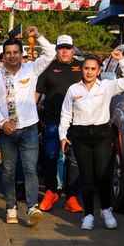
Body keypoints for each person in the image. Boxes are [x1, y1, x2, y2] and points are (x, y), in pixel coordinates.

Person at [59, 51, 124, 231]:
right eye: (86, 68)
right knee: (86, 177)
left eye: (93, 69)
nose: (89, 72)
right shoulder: (73, 89)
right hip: (80, 136)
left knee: (104, 175)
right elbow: (65, 115)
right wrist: (63, 136)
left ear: (99, 71)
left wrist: (121, 60)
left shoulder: (107, 86)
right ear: (82, 70)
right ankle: (88, 215)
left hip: (102, 134)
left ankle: (106, 210)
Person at [0, 28, 55, 227]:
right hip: (7, 130)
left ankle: (32, 207)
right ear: (3, 54)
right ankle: (10, 207)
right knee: (8, 170)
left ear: (21, 53)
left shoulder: (32, 69)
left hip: (29, 128)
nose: (12, 56)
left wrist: (39, 35)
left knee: (30, 169)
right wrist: (2, 123)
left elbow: (50, 53)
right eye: (8, 53)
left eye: (16, 52)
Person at [36, 35, 83, 213]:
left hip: (77, 121)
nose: (64, 51)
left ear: (73, 50)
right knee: (50, 155)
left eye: (68, 48)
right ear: (56, 50)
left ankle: (71, 197)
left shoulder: (81, 68)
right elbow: (37, 94)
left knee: (74, 160)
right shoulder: (48, 68)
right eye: (61, 48)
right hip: (53, 120)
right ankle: (51, 191)